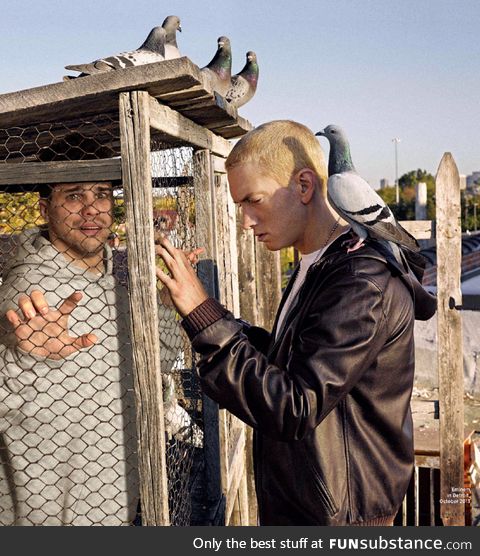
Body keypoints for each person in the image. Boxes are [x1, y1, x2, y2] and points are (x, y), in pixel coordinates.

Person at [155, 120, 436, 526]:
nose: (246, 221)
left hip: (341, 521)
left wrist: (205, 317)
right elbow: (287, 363)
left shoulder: (359, 283)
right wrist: (200, 311)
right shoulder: (321, 264)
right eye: (240, 207)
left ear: (304, 186)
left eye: (254, 200)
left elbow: (294, 404)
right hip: (315, 507)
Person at [0, 180, 186, 525]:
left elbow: (154, 364)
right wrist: (24, 359)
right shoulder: (28, 294)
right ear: (44, 210)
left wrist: (161, 305)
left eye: (101, 193)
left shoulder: (112, 284)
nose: (91, 208)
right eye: (73, 195)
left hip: (111, 505)